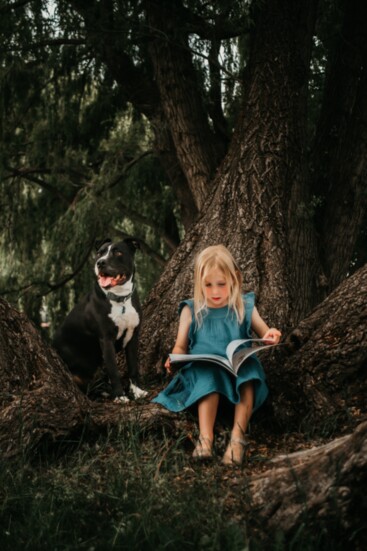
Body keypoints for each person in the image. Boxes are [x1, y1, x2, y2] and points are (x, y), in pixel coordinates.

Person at [152, 245, 281, 466]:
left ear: (235, 279)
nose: (214, 292)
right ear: (199, 284)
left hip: (236, 371)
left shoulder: (244, 305)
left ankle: (237, 438)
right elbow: (180, 346)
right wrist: (174, 359)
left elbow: (265, 331)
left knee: (249, 373)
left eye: (221, 284)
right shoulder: (191, 310)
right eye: (208, 285)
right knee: (208, 375)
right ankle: (206, 439)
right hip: (204, 374)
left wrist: (272, 334)